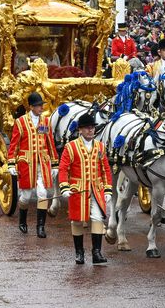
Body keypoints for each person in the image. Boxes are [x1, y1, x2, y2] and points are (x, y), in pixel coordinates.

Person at [58, 112, 113, 265]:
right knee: (77, 220)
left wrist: (108, 189)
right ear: (80, 130)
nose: (91, 131)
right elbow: (63, 169)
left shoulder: (100, 146)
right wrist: (64, 187)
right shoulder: (71, 147)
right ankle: (79, 252)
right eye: (87, 128)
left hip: (96, 189)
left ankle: (96, 253)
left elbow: (105, 170)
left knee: (97, 218)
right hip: (78, 190)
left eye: (92, 128)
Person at [7, 92, 58, 238]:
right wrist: (11, 163)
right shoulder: (20, 122)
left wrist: (54, 163)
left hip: (42, 162)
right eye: (38, 105)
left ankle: (40, 227)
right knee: (26, 197)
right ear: (31, 107)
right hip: (27, 164)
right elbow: (14, 144)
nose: (41, 108)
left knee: (43, 194)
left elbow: (50, 143)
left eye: (42, 105)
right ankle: (22, 220)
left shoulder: (46, 121)